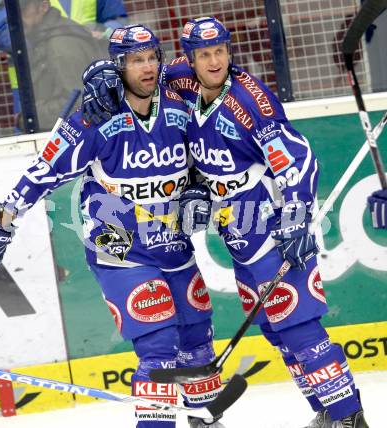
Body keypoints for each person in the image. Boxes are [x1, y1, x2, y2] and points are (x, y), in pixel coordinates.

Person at [80, 16, 371, 428]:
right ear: (190, 57)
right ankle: (327, 414)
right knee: (275, 329)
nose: (214, 61)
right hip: (237, 236)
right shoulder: (178, 79)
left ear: (229, 51)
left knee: (298, 326)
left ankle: (349, 417)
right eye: (204, 54)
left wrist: (297, 216)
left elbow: (299, 159)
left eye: (220, 51)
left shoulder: (252, 102)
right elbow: (136, 77)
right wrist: (97, 76)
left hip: (270, 229)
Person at [0, 24, 225, 428]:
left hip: (173, 244)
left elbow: (204, 158)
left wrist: (198, 188)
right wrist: (4, 219)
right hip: (120, 249)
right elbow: (44, 170)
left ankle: (205, 421)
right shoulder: (96, 116)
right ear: (118, 66)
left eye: (151, 58)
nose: (146, 68)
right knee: (159, 346)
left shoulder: (179, 108)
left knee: (196, 340)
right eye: (135, 60)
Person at [0, 0, 127, 130]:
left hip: (75, 136)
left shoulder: (59, 46)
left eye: (24, 11)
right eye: (17, 11)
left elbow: (77, 105)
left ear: (43, 7)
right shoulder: (46, 38)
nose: (18, 19)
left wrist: (29, 118)